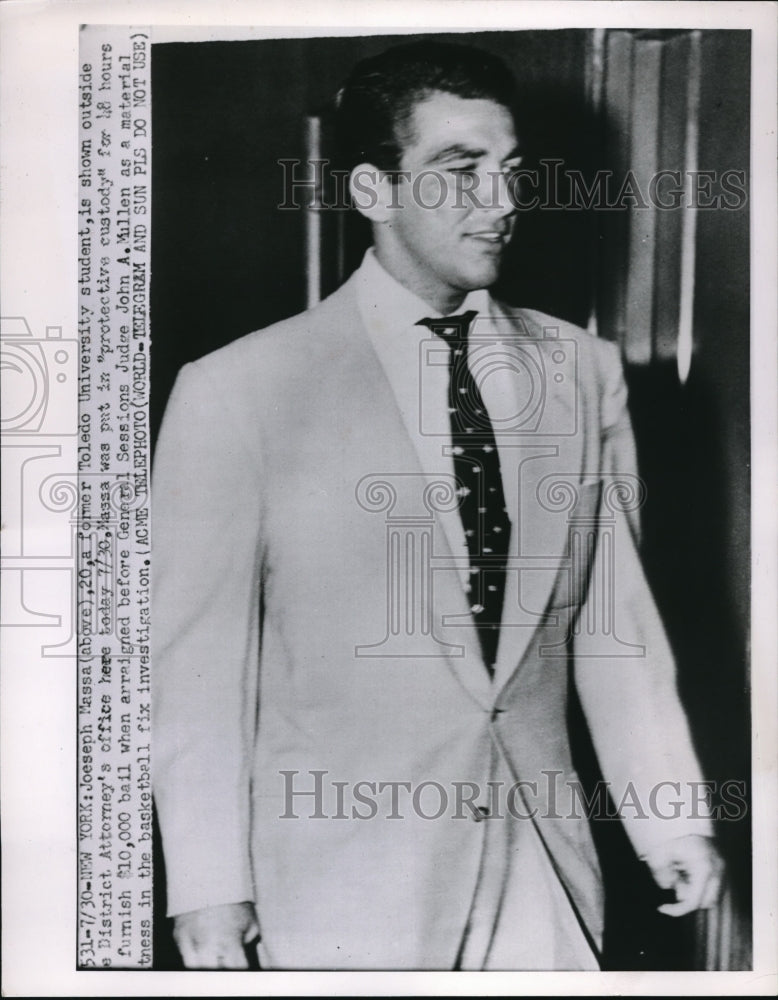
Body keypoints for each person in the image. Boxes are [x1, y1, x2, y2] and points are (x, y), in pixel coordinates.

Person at [152, 40, 723, 970]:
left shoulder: (581, 374)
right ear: (374, 191)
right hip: (342, 879)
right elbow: (198, 673)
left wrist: (671, 821)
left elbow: (615, 629)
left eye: (510, 172)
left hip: (541, 863)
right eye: (460, 173)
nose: (500, 203)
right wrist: (210, 888)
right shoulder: (238, 390)